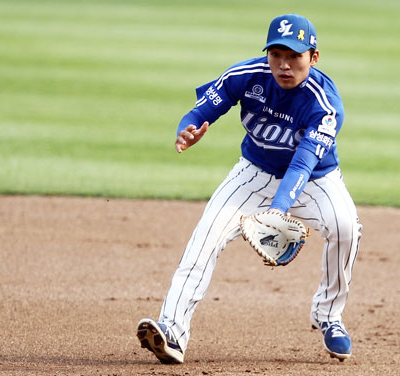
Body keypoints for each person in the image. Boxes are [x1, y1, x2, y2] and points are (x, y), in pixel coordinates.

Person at [137, 14, 362, 364]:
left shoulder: (325, 103)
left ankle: (328, 315)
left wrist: (279, 207)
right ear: (267, 54)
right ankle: (172, 332)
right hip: (252, 174)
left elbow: (303, 163)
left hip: (316, 181)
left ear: (313, 57)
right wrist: (189, 127)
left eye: (295, 56)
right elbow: (206, 106)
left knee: (346, 227)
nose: (284, 65)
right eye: (276, 55)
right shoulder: (248, 74)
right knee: (205, 238)